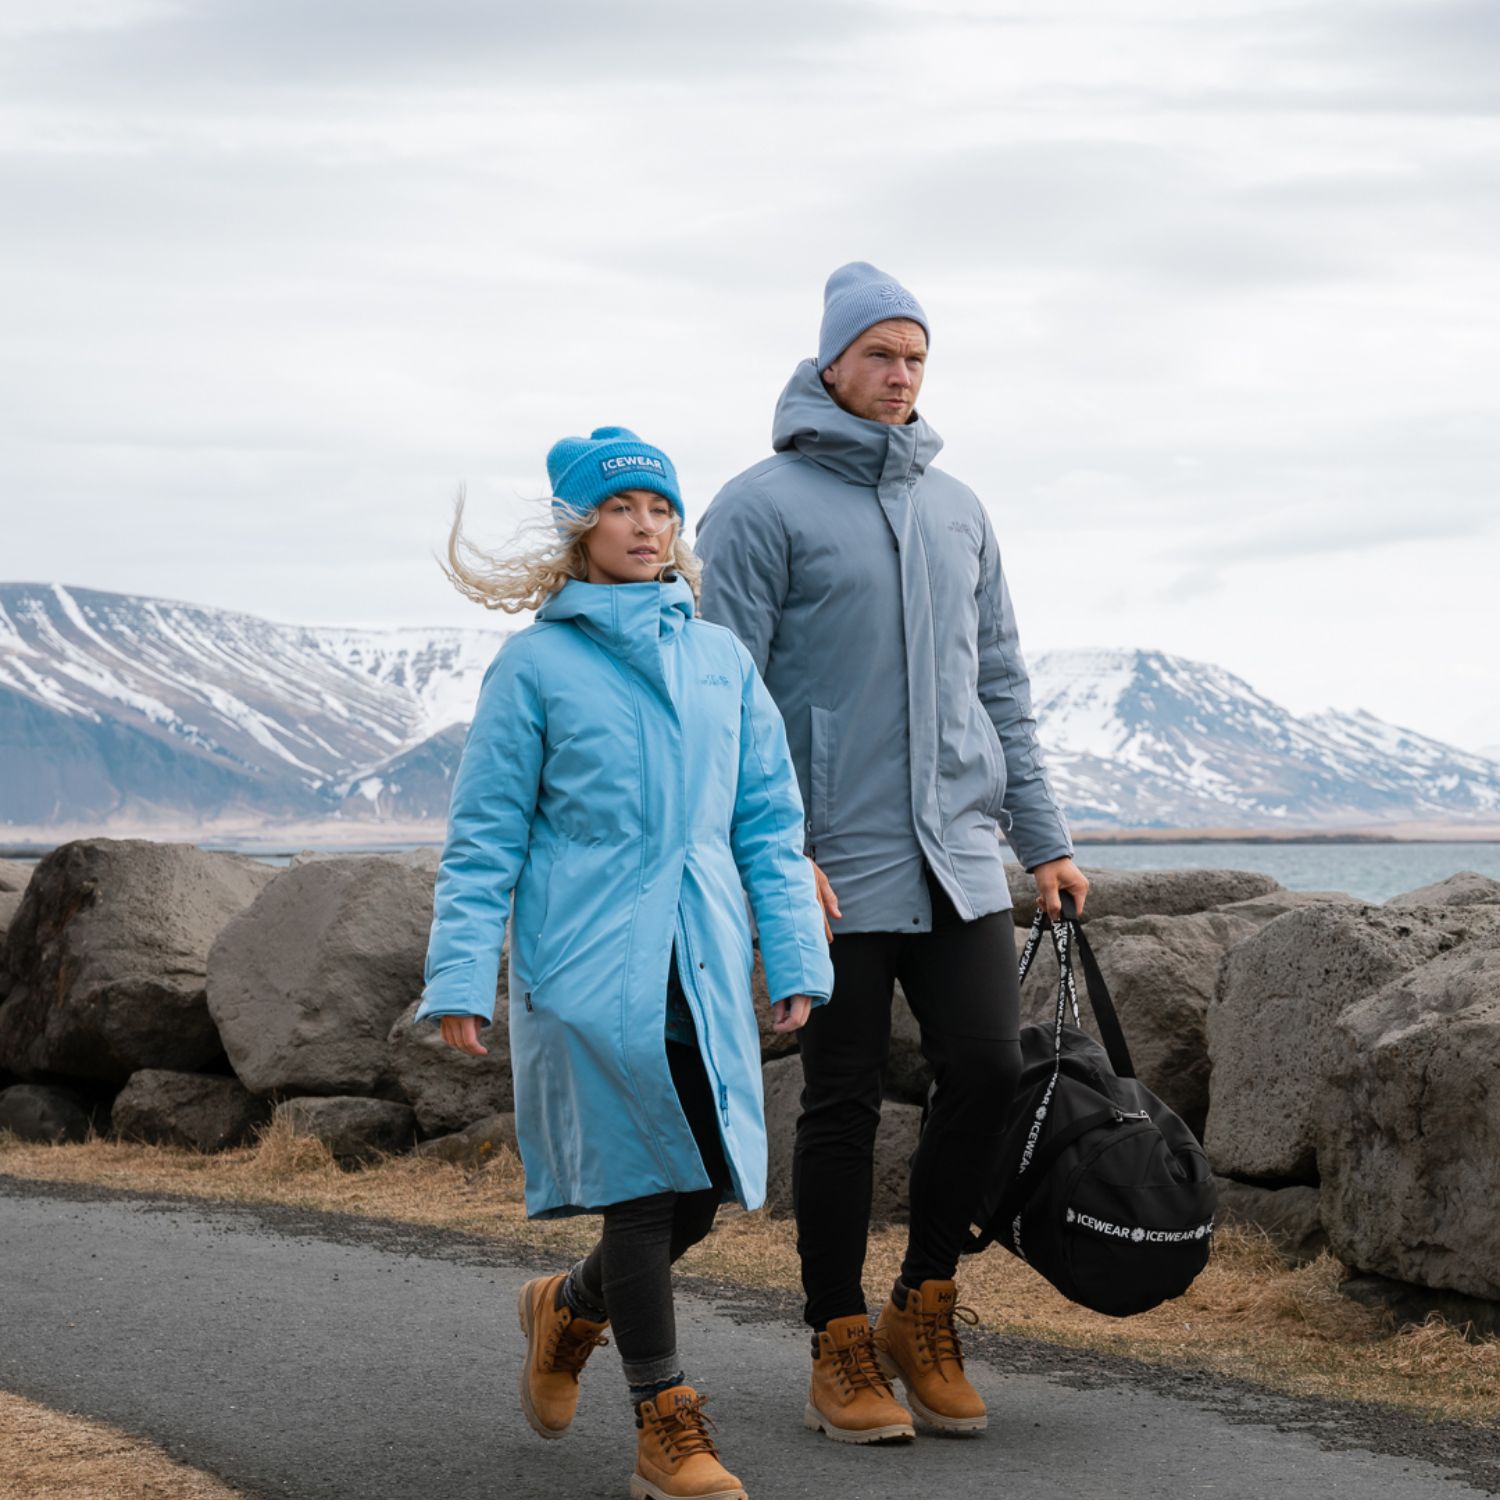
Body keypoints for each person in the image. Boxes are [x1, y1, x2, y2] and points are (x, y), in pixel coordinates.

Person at [695, 263, 1090, 1443]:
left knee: (988, 1069)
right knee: (844, 1100)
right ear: (830, 363)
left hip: (958, 854)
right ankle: (836, 1338)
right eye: (879, 353)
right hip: (825, 861)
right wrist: (767, 856)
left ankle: (926, 1302)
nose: (900, 372)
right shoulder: (757, 506)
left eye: (916, 355)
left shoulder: (959, 507)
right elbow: (724, 698)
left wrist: (1046, 839)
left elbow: (1002, 682)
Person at [414, 427, 833, 1500]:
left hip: (699, 958)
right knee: (647, 1191)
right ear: (579, 529)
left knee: (695, 1197)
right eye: (621, 509)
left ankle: (569, 1310)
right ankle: (666, 1420)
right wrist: (463, 974)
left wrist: (792, 950)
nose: (646, 527)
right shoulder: (536, 666)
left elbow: (767, 825)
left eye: (660, 509)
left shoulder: (721, 659)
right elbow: (486, 835)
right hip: (587, 964)